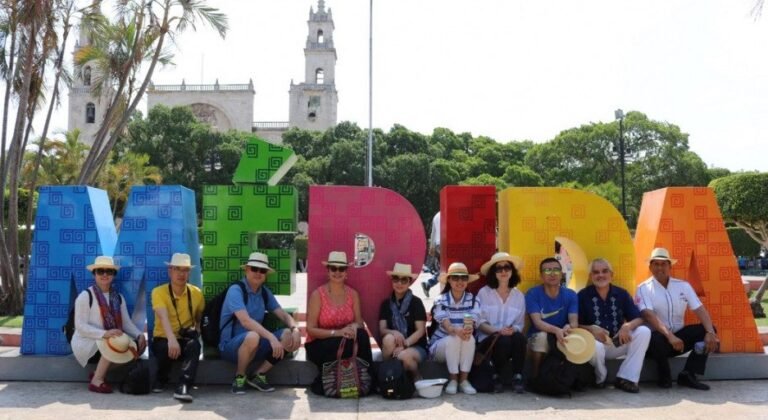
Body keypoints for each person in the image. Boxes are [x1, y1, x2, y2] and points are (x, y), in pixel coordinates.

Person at [636, 247, 719, 390]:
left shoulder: (683, 286)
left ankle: (688, 375)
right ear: (650, 267)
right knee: (654, 337)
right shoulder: (643, 288)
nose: (660, 267)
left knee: (707, 330)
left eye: (663, 264)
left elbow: (699, 309)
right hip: (657, 344)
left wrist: (710, 332)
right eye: (656, 264)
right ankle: (664, 377)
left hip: (678, 341)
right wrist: (670, 336)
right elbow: (649, 316)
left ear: (670, 266)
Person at [219, 252, 301, 395]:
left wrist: (295, 329)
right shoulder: (236, 290)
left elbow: (282, 314)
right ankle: (239, 377)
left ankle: (258, 374)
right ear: (246, 270)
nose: (258, 273)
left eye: (262, 270)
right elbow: (245, 321)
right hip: (230, 347)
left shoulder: (264, 292)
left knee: (288, 335)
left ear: (266, 274)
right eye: (254, 269)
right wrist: (271, 337)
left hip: (256, 345)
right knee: (252, 336)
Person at [71, 256, 146, 393]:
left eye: (109, 271)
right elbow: (80, 326)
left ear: (113, 274)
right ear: (94, 274)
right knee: (114, 342)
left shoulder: (118, 297)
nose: (105, 274)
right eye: (100, 271)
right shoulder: (85, 296)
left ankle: (98, 372)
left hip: (109, 340)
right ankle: (96, 381)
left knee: (134, 348)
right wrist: (105, 334)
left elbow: (126, 324)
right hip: (87, 342)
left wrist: (139, 335)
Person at [305, 251, 373, 396]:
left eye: (341, 269)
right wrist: (337, 333)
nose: (337, 272)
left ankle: (367, 378)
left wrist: (354, 326)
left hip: (344, 340)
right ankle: (327, 380)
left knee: (362, 335)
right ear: (328, 271)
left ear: (346, 272)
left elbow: (360, 323)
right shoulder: (318, 295)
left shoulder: (353, 294)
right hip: (320, 344)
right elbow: (310, 329)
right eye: (333, 268)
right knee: (347, 341)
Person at [578, 258, 651, 393]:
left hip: (617, 341)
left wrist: (627, 326)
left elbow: (639, 318)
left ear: (611, 274)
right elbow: (575, 325)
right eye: (596, 272)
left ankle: (626, 378)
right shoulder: (583, 296)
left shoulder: (621, 294)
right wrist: (591, 329)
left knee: (644, 331)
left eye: (604, 271)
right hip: (595, 346)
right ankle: (600, 378)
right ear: (590, 276)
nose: (600, 275)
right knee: (596, 346)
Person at [150, 253, 205, 402]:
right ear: (170, 271)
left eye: (185, 270)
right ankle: (161, 378)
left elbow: (199, 316)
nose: (181, 273)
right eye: (177, 269)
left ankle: (184, 386)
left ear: (189, 272)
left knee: (194, 345)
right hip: (164, 337)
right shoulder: (158, 292)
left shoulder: (197, 293)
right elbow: (163, 316)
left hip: (184, 338)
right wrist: (171, 339)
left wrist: (197, 330)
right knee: (163, 347)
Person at [476, 252, 527, 393]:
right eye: (499, 268)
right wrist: (497, 331)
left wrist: (513, 330)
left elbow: (519, 324)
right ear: (493, 272)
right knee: (503, 340)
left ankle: (517, 376)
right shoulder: (484, 293)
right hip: (488, 340)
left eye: (507, 267)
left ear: (512, 271)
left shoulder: (519, 296)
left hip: (511, 338)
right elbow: (479, 323)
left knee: (519, 338)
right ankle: (495, 375)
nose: (503, 271)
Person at [429, 262, 481, 395]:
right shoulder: (440, 299)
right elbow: (446, 324)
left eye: (463, 278)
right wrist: (457, 331)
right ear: (449, 280)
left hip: (462, 342)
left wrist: (467, 330)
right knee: (454, 338)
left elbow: (472, 320)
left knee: (469, 339)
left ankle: (463, 380)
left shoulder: (473, 300)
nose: (460, 281)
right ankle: (453, 379)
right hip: (440, 346)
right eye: (455, 277)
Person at [525, 257, 578, 379]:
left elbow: (574, 322)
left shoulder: (571, 295)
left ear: (561, 274)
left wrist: (568, 327)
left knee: (574, 337)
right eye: (547, 270)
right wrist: (556, 330)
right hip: (538, 336)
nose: (552, 274)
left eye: (556, 270)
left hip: (563, 335)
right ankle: (535, 377)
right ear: (541, 276)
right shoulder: (533, 294)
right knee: (542, 338)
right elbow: (537, 323)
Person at [378, 263, 428, 382]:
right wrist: (394, 332)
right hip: (393, 346)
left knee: (403, 355)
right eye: (396, 279)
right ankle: (388, 377)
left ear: (409, 282)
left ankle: (417, 378)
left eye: (404, 280)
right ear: (392, 281)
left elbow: (420, 330)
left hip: (415, 346)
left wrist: (405, 344)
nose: (399, 283)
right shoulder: (386, 304)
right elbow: (382, 330)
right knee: (388, 339)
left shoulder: (416, 303)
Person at [421, 211, 441, 297]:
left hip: (438, 245)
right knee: (447, 269)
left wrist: (432, 246)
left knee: (444, 268)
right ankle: (429, 284)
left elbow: (433, 233)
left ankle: (428, 284)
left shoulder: (436, 216)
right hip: (446, 244)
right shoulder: (449, 213)